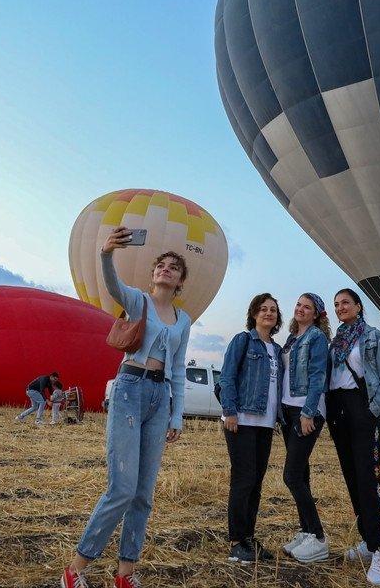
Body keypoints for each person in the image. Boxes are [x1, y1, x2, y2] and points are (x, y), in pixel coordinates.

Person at [62, 227, 192, 588]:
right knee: (121, 488)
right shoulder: (139, 301)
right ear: (153, 274)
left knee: (143, 494)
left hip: (159, 397)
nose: (166, 269)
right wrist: (106, 254)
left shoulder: (184, 320)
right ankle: (75, 570)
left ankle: (125, 574)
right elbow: (113, 286)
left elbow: (178, 369)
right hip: (129, 388)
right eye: (161, 265)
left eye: (173, 267)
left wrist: (177, 413)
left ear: (181, 280)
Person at [326, 288, 380, 586]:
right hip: (338, 411)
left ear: (358, 305)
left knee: (369, 479)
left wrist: (374, 409)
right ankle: (368, 542)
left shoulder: (371, 336)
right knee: (352, 477)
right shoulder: (335, 341)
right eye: (336, 305)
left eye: (345, 302)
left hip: (362, 408)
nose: (340, 307)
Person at [219, 293, 284, 564]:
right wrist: (229, 412)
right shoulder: (243, 340)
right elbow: (227, 376)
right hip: (242, 420)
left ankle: (248, 537)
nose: (268, 313)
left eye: (273, 310)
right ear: (254, 313)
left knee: (256, 483)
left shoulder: (278, 351)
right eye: (263, 309)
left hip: (266, 424)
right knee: (243, 480)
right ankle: (236, 541)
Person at [278, 293, 331, 563]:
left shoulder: (317, 338)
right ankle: (306, 530)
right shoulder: (291, 340)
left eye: (307, 307)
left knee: (291, 476)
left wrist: (309, 412)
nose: (300, 309)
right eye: (298, 304)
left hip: (305, 411)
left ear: (316, 314)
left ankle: (319, 537)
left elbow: (318, 375)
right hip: (289, 410)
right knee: (302, 475)